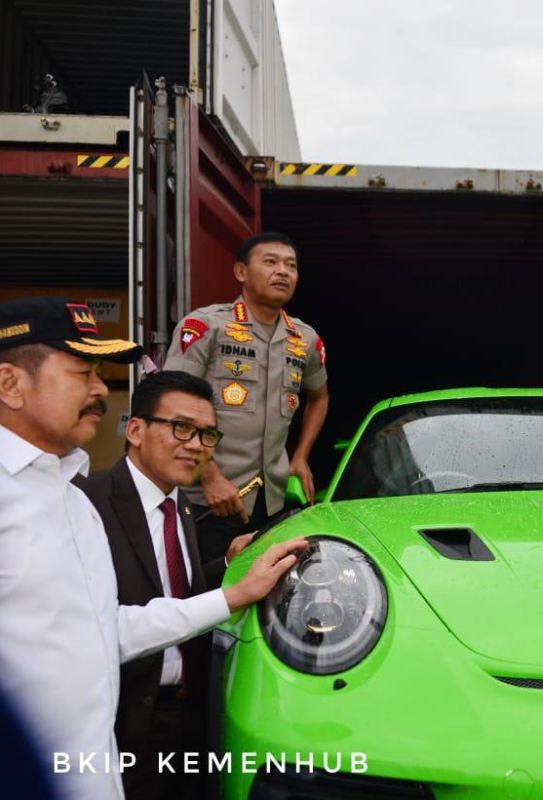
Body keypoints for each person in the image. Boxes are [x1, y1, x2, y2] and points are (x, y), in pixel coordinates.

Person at [0, 297, 307, 800]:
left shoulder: (69, 501)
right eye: (82, 371)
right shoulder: (75, 497)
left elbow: (107, 631)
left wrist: (234, 590)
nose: (101, 390)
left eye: (101, 373)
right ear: (11, 384)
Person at [76, 371, 253, 799]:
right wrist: (234, 595)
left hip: (187, 718)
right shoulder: (86, 499)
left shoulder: (181, 508)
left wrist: (227, 564)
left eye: (208, 434)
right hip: (119, 725)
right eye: (181, 428)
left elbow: (173, 591)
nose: (195, 445)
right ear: (135, 430)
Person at [164, 231, 329, 562]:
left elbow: (319, 397)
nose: (282, 271)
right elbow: (171, 400)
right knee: (206, 592)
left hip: (273, 500)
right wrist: (208, 475)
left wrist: (300, 456)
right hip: (209, 499)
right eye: (270, 262)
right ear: (241, 272)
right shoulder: (206, 326)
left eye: (291, 266)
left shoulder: (304, 339)